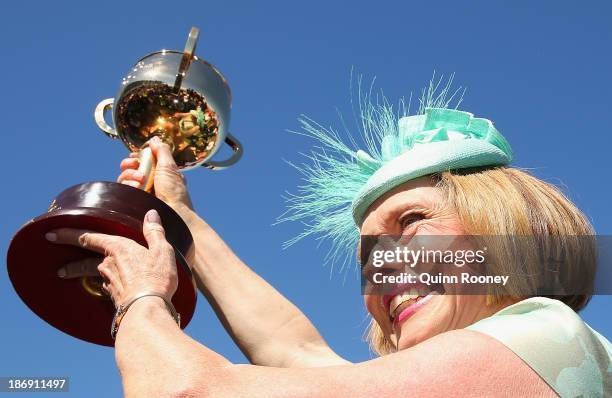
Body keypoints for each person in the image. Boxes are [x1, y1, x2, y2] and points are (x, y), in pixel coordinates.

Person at [47, 96, 611, 397]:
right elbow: (299, 356)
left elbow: (187, 393)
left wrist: (142, 299)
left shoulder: (546, 334)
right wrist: (183, 224)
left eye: (413, 220)